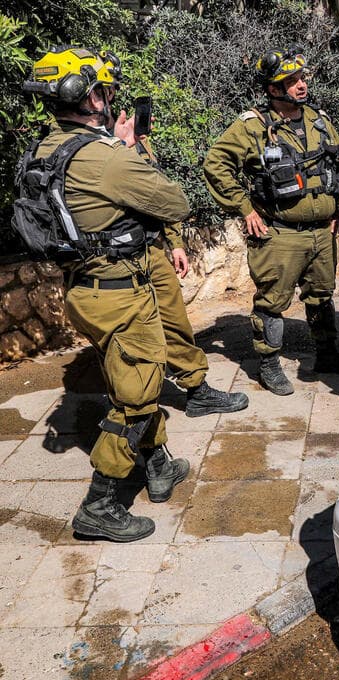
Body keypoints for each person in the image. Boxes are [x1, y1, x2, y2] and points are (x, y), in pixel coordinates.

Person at [16, 47, 194, 541]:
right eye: (105, 89)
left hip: (84, 291)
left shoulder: (45, 148)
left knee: (128, 377)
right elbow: (175, 202)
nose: (111, 97)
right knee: (136, 396)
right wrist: (130, 149)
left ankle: (157, 465)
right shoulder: (105, 157)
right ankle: (101, 504)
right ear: (91, 96)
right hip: (120, 295)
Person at [203, 45, 339, 395]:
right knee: (272, 301)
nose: (301, 85)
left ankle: (328, 355)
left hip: (320, 233)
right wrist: (244, 208)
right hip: (280, 234)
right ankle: (269, 363)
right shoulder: (252, 126)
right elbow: (216, 165)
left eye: (302, 78)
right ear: (272, 89)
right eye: (292, 81)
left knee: (321, 295)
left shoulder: (319, 119)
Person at [134, 138, 249, 417]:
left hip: (149, 249)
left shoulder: (133, 142)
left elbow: (162, 194)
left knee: (174, 321)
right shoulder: (80, 147)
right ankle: (132, 406)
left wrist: (174, 242)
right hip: (104, 261)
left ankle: (197, 390)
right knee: (127, 336)